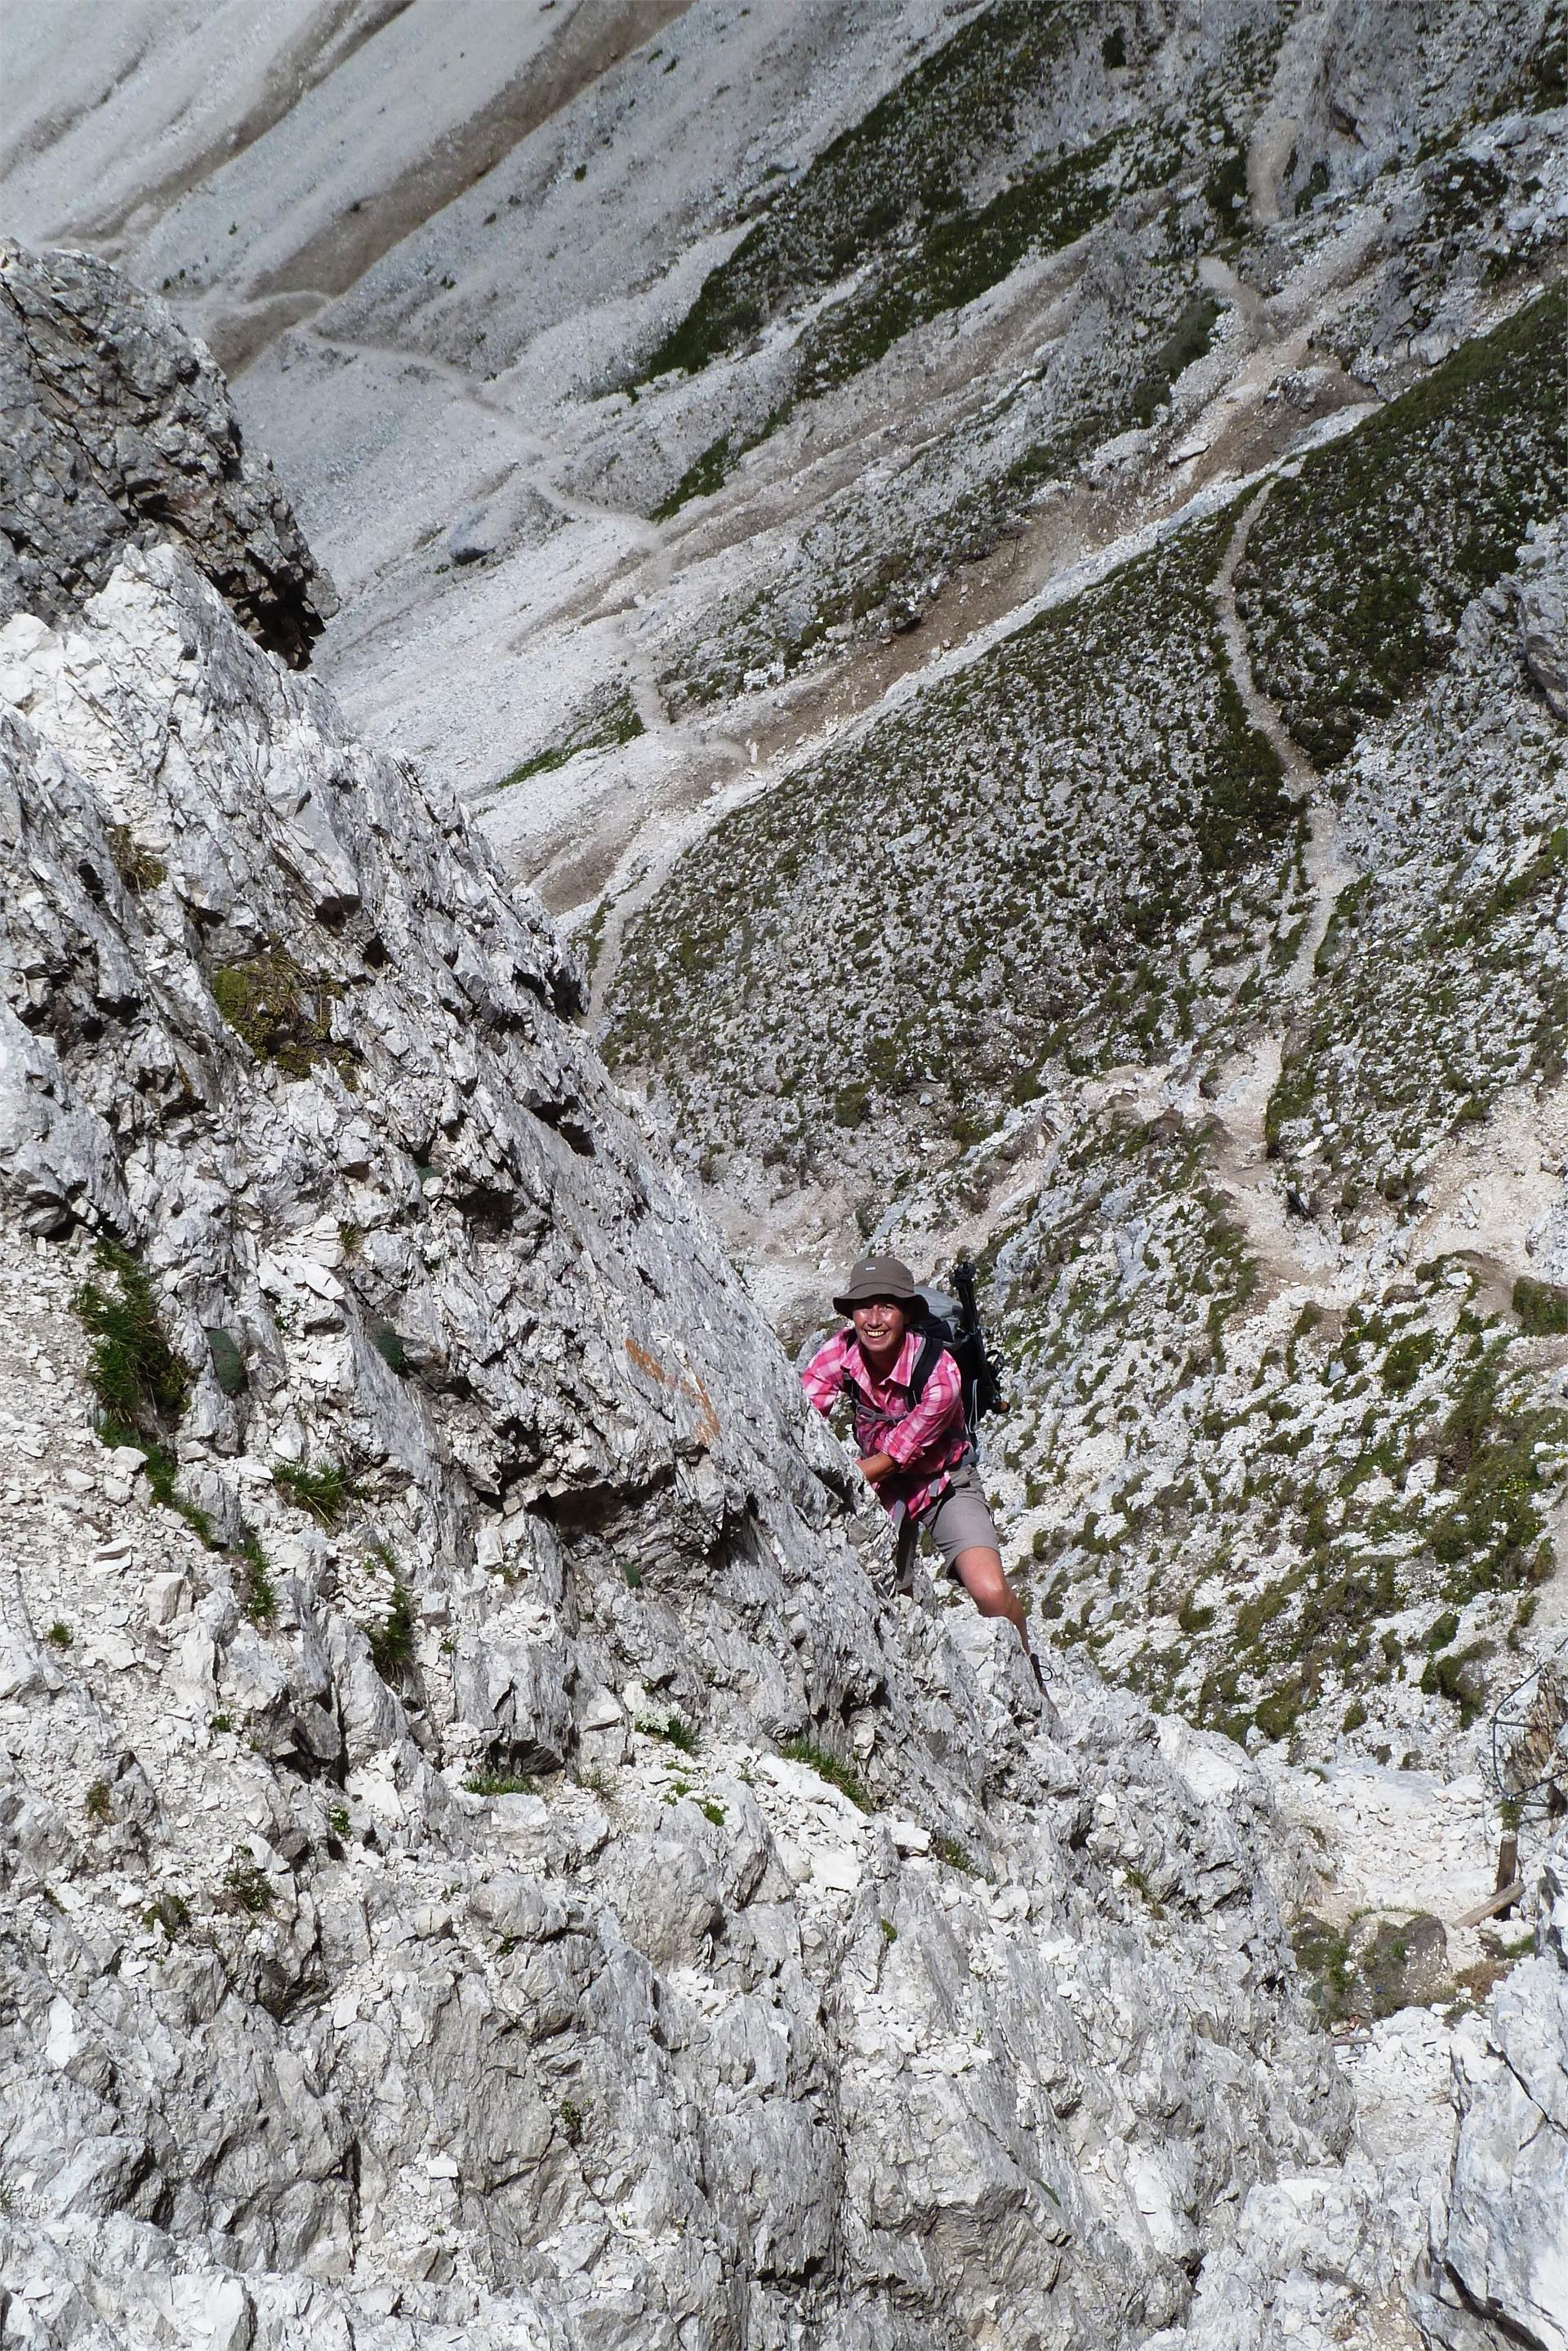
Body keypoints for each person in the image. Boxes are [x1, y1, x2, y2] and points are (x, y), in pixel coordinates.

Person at [803, 1253, 1044, 1685]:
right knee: (894, 1598)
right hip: (884, 1485)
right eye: (864, 1307)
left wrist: (839, 1481)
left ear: (907, 1313)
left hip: (943, 1480)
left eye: (887, 1306)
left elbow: (894, 1456)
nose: (874, 1319)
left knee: (989, 1591)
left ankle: (1029, 1671)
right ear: (851, 1313)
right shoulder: (839, 1353)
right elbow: (804, 1411)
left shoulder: (939, 1373)